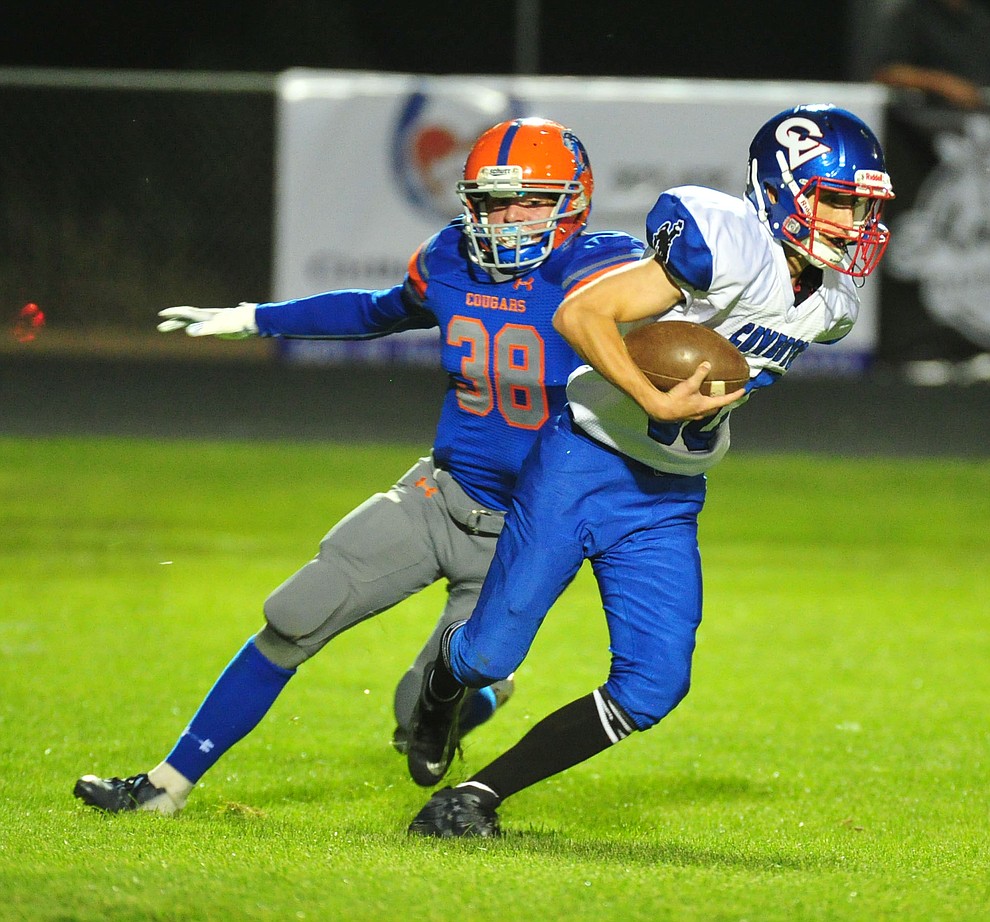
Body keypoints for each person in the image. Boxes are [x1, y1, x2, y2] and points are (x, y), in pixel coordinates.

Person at [73, 117, 646, 814]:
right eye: (492, 202)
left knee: (424, 701)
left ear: (574, 203)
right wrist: (258, 317)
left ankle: (466, 701)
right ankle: (164, 786)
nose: (506, 218)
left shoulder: (604, 268)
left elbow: (690, 291)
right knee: (293, 616)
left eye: (529, 201)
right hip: (440, 493)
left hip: (530, 534)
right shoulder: (449, 259)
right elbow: (375, 310)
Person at [404, 103, 895, 837]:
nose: (856, 222)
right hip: (583, 460)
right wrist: (649, 395)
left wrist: (683, 411)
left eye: (865, 206)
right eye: (838, 202)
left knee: (655, 684)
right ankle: (439, 693)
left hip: (666, 493)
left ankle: (473, 797)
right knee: (486, 655)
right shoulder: (722, 243)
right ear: (782, 191)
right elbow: (580, 316)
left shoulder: (833, 306)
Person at [871, 0, 990, 111]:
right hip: (926, 117)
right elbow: (888, 72)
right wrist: (942, 84)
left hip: (979, 114)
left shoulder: (980, 14)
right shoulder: (913, 15)